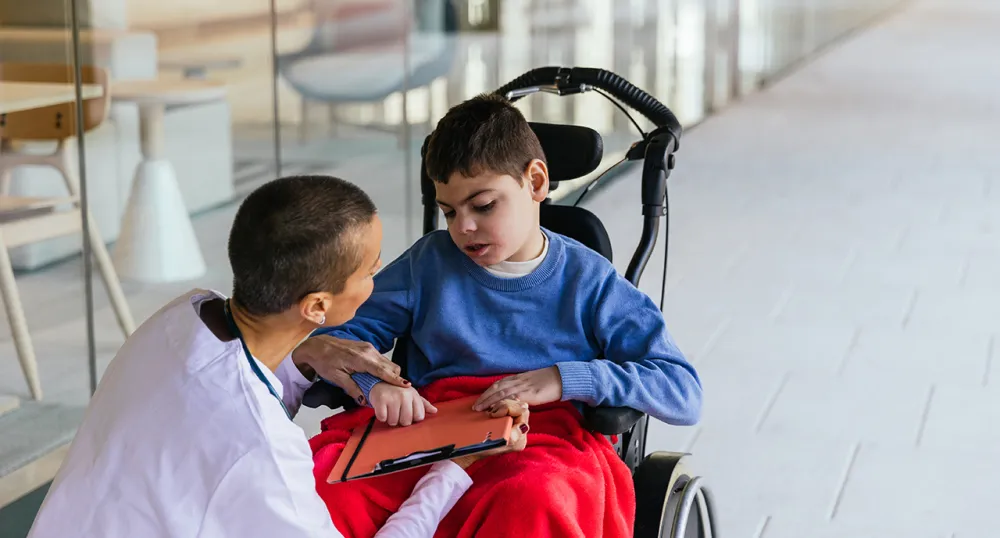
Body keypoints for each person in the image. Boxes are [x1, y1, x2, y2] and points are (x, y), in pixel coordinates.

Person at [27, 175, 528, 538]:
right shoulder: (262, 447)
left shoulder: (180, 316)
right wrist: (454, 468)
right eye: (370, 270)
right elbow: (238, 424)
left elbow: (221, 387)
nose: (379, 276)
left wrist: (304, 355)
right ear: (316, 306)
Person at [296, 93, 702, 537]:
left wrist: (567, 379)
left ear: (536, 182)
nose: (463, 227)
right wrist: (373, 384)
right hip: (432, 429)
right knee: (325, 486)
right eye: (449, 211)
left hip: (542, 441)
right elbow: (344, 336)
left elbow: (682, 391)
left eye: (483, 206)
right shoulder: (429, 262)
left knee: (533, 499)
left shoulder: (589, 281)